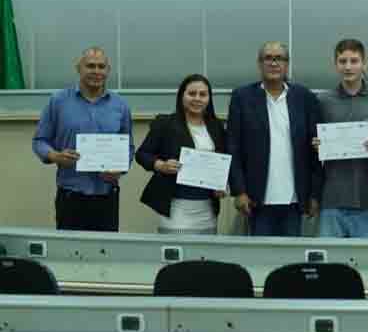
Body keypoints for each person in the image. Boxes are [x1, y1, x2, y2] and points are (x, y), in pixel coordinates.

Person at [32, 47, 132, 231]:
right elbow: (39, 141)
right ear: (78, 68)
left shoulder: (121, 106)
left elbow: (128, 148)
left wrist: (121, 169)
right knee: (68, 255)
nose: (96, 71)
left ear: (108, 70)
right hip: (70, 196)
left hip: (107, 196)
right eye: (90, 66)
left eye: (101, 66)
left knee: (105, 255)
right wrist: (55, 156)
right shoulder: (58, 101)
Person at [227, 41, 321, 236]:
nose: (273, 63)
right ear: (259, 64)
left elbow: (315, 151)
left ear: (287, 64)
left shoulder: (305, 98)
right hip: (256, 200)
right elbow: (233, 147)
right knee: (261, 260)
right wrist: (239, 191)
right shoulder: (242, 98)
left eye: (279, 58)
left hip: (295, 200)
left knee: (291, 262)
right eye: (268, 58)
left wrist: (314, 195)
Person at [312, 39, 368, 238]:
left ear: (364, 64)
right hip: (332, 199)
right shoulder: (322, 101)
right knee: (329, 264)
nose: (348, 66)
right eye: (342, 61)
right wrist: (316, 144)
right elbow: (312, 146)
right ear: (335, 64)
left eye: (354, 61)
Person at [135, 74, 227, 234]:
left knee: (205, 257)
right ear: (181, 96)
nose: (197, 99)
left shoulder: (216, 126)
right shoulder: (165, 124)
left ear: (209, 98)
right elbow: (142, 154)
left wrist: (222, 185)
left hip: (207, 208)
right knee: (177, 256)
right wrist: (161, 165)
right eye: (192, 93)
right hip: (176, 208)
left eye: (203, 94)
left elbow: (223, 161)